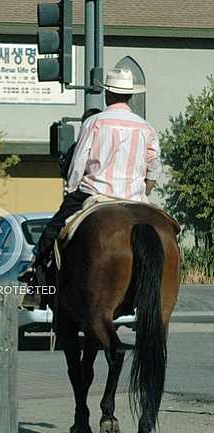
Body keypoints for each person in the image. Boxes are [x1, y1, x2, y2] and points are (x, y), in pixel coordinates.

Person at [19, 67, 162, 285]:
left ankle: (35, 270)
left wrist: (71, 191)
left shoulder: (95, 122)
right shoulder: (146, 128)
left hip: (94, 194)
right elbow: (154, 169)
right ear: (131, 95)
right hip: (134, 199)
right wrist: (144, 191)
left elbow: (78, 164)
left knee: (53, 231)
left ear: (108, 94)